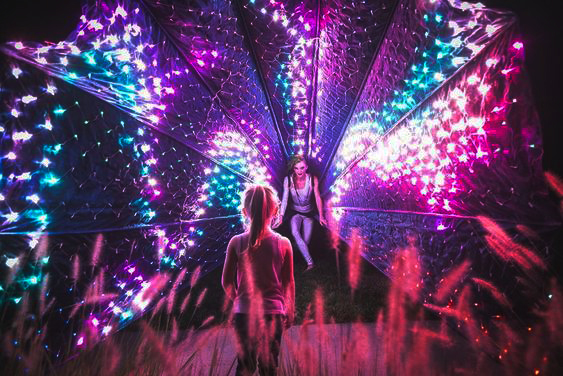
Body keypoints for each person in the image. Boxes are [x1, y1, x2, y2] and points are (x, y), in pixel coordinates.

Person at [222, 184, 295, 376]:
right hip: (274, 314)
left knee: (245, 367)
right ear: (275, 210)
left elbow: (227, 281)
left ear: (245, 212)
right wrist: (290, 307)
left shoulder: (236, 242)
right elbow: (288, 282)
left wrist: (238, 301)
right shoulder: (283, 243)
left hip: (244, 315)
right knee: (268, 367)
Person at [277, 155, 327, 271]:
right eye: (296, 168)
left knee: (305, 242)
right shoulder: (288, 180)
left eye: (302, 168)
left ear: (306, 167)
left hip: (308, 214)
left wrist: (321, 216)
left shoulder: (312, 179)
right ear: (293, 168)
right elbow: (284, 199)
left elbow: (318, 197)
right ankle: (310, 263)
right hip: (295, 213)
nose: (299, 171)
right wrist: (281, 216)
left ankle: (290, 250)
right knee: (295, 232)